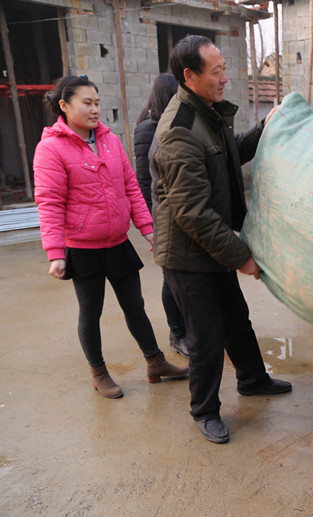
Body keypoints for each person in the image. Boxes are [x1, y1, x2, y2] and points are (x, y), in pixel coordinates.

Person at [150, 35, 291, 444]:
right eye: (217, 71)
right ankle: (205, 410)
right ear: (190, 76)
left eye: (225, 69)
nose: (225, 78)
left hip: (211, 244)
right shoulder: (179, 131)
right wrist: (241, 255)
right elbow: (192, 213)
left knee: (236, 318)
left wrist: (264, 129)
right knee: (206, 336)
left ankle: (252, 379)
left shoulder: (207, 114)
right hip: (187, 253)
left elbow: (229, 156)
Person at [33, 75, 188, 399]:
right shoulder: (50, 148)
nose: (95, 110)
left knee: (135, 306)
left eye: (97, 103)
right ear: (64, 106)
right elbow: (49, 202)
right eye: (87, 103)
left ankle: (155, 362)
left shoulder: (109, 140)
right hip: (82, 247)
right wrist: (56, 252)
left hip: (117, 242)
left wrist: (148, 229)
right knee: (91, 312)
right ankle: (99, 373)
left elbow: (131, 187)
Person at [134, 73, 188, 358]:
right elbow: (145, 181)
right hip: (162, 217)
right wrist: (152, 225)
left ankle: (187, 329)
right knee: (171, 278)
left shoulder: (174, 124)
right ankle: (177, 333)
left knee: (184, 277)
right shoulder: (148, 130)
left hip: (178, 214)